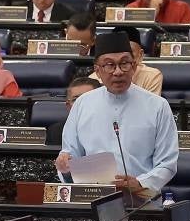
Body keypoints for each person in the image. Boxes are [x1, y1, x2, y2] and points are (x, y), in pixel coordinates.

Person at [57, 31, 178, 197]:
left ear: (134, 66)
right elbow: (70, 154)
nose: (118, 72)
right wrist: (65, 167)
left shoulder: (158, 106)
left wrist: (140, 182)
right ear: (97, 71)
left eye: (124, 64)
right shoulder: (83, 104)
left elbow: (167, 163)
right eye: (109, 65)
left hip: (141, 200)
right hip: (92, 199)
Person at [88, 25, 163, 95]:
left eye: (129, 53)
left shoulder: (151, 75)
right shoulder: (95, 78)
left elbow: (150, 105)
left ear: (140, 55)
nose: (118, 72)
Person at [46, 77, 101, 146]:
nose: (81, 103)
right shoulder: (56, 132)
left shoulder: (113, 129)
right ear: (68, 106)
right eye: (76, 100)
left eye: (87, 98)